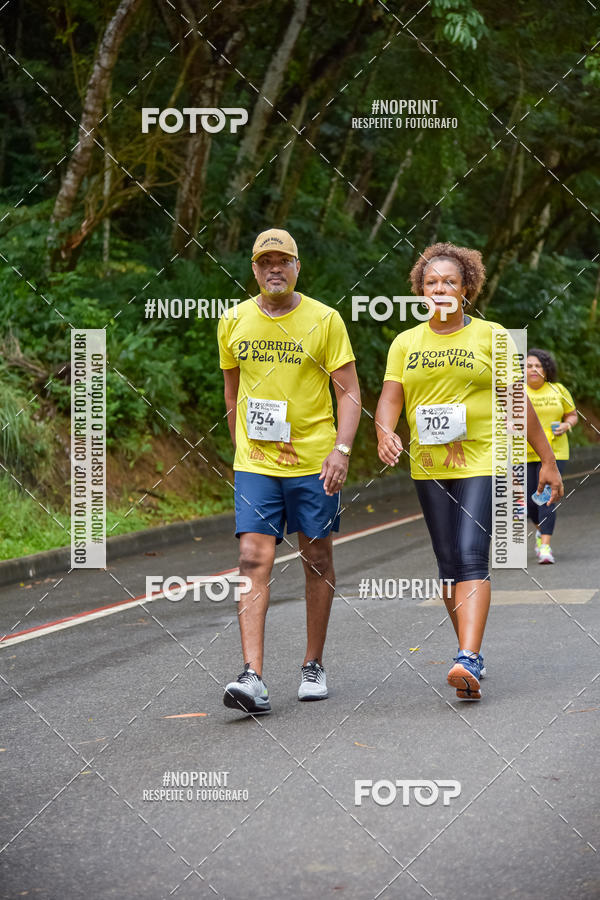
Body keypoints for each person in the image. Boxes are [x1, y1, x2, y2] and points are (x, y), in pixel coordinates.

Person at [375, 242, 563, 701]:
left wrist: (549, 462)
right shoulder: (405, 343)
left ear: (467, 290)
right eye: (432, 282)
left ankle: (468, 655)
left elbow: (518, 404)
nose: (440, 289)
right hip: (429, 466)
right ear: (420, 290)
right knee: (447, 565)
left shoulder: (493, 337)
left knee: (469, 552)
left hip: (485, 459)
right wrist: (383, 433)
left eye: (450, 282)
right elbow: (390, 399)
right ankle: (467, 654)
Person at [217, 228, 360, 714]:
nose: (273, 269)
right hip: (256, 463)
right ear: (253, 270)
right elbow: (232, 394)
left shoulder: (325, 319)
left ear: (297, 266)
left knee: (316, 557)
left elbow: (348, 393)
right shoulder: (234, 320)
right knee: (252, 559)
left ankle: (312, 664)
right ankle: (252, 675)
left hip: (316, 461)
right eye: (264, 262)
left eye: (283, 261)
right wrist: (243, 450)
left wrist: (341, 449)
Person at [526, 349, 577, 564]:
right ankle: (540, 531)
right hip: (523, 454)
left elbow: (572, 415)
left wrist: (566, 425)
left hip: (555, 453)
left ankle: (545, 546)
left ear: (546, 370)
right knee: (529, 503)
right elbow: (501, 418)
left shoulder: (558, 390)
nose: (533, 369)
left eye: (538, 366)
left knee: (546, 498)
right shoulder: (515, 392)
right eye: (528, 366)